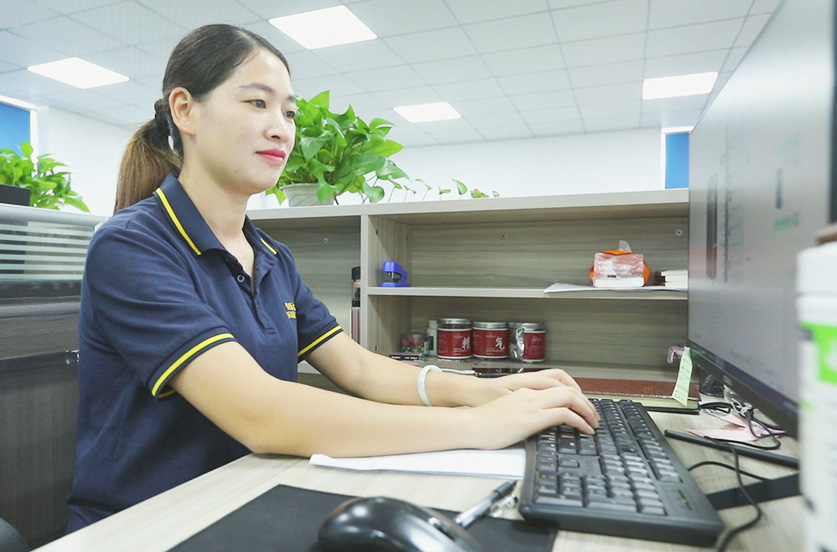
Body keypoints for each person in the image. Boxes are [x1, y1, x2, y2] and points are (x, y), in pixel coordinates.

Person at [66, 24, 599, 532]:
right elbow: (261, 413)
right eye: (257, 103)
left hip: (248, 495)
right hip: (149, 522)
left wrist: (484, 391)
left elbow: (359, 367)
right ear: (185, 109)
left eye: (289, 112)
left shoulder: (271, 255)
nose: (281, 128)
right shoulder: (132, 245)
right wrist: (478, 427)